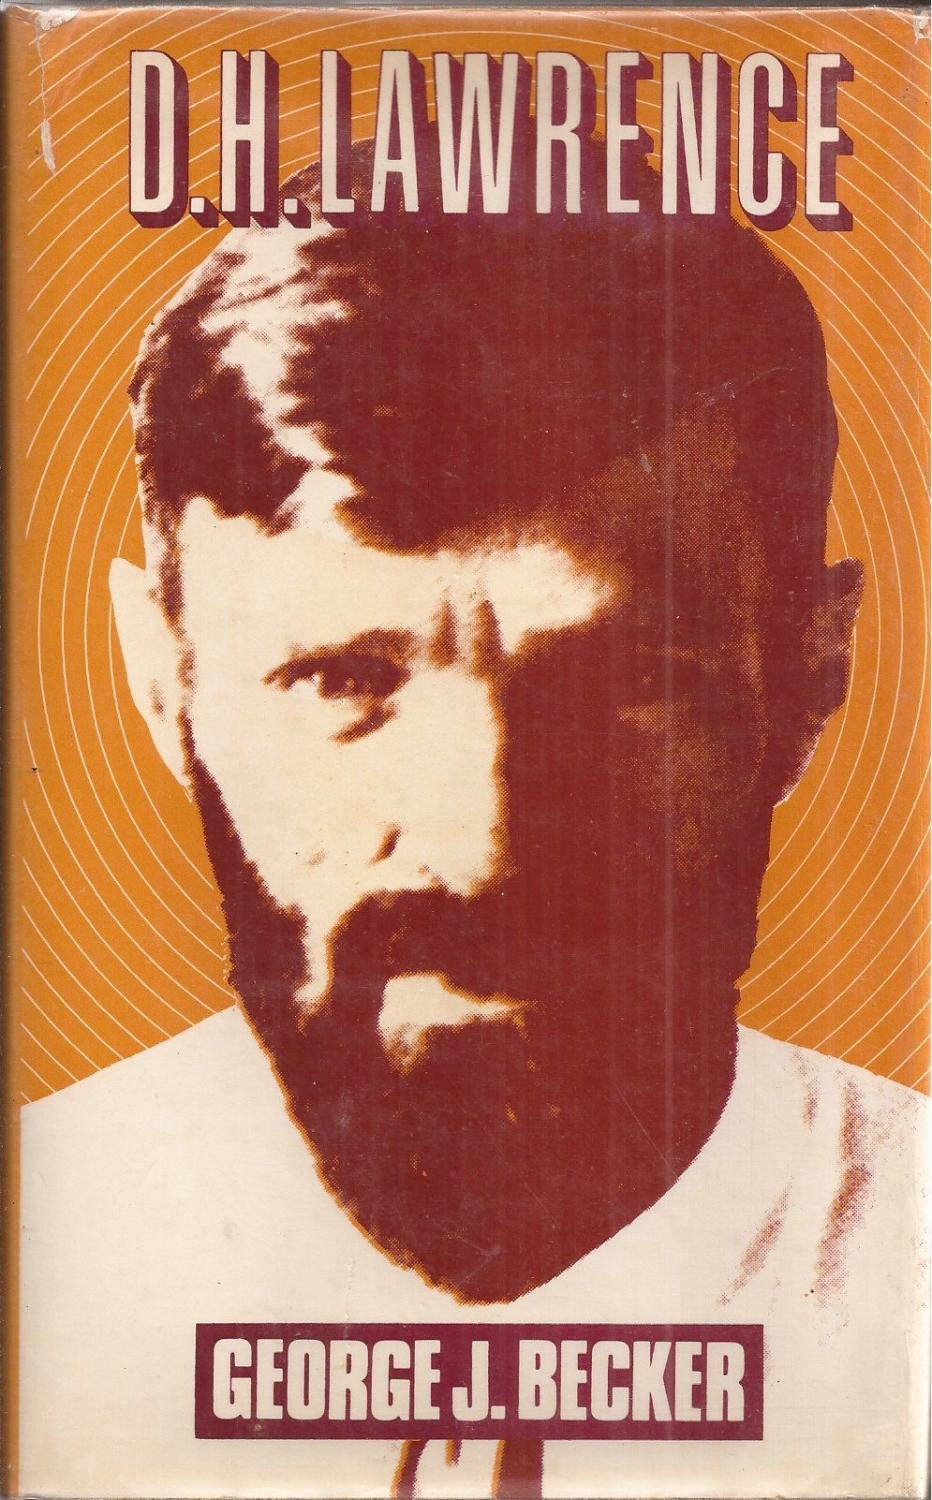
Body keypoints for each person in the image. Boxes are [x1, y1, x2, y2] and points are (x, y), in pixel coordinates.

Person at [19, 140, 927, 1499]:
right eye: (344, 680)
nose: (482, 843)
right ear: (165, 684)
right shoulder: (37, 1263)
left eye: (628, 686)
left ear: (806, 679)